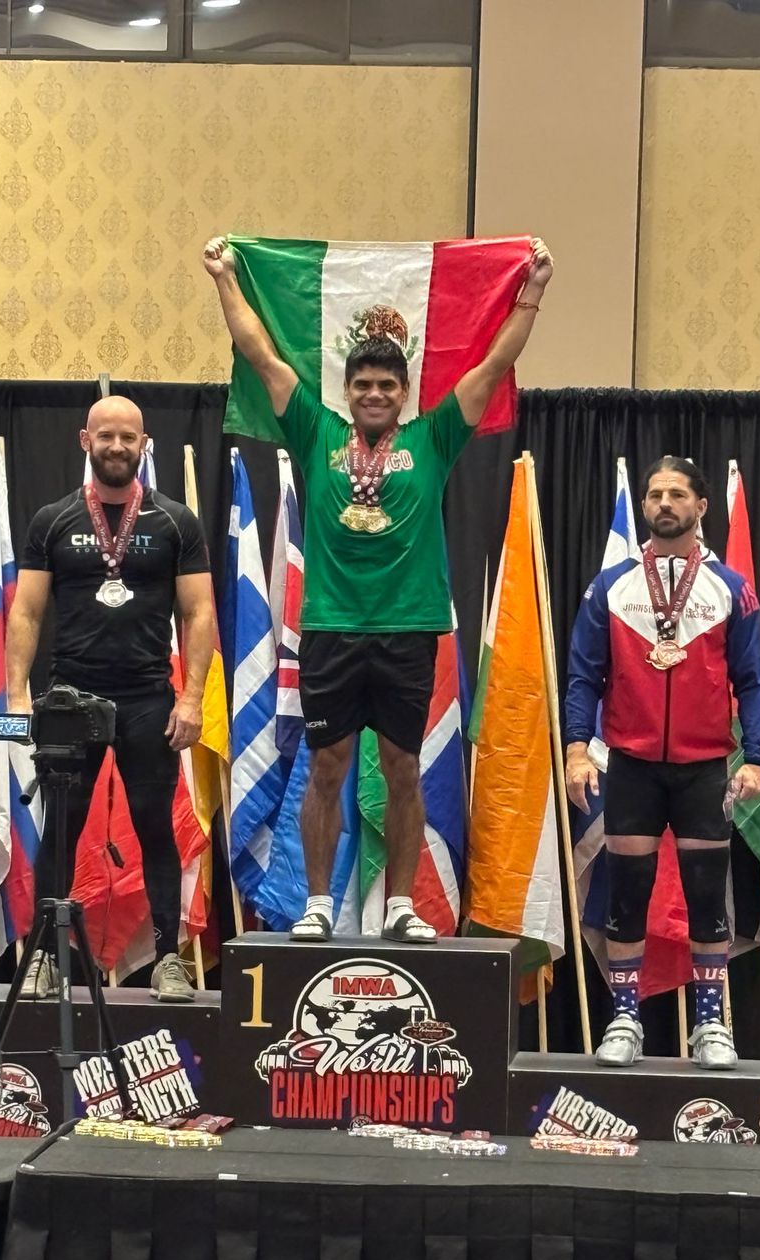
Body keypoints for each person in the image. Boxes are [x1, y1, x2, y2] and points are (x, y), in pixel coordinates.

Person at [203, 232, 553, 942]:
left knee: (402, 767)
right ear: (348, 391)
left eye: (387, 386)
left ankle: (399, 906)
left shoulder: (435, 437)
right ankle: (317, 904)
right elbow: (261, 355)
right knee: (327, 766)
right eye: (363, 385)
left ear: (403, 394)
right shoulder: (314, 430)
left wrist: (534, 292)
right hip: (331, 628)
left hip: (408, 629)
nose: (374, 394)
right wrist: (224, 279)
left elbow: (495, 364)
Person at [564, 456, 760, 1068]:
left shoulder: (731, 588)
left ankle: (709, 1023)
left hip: (704, 767)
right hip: (631, 766)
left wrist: (758, 758)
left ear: (701, 507)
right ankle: (625, 1019)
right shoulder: (611, 587)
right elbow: (583, 676)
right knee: (627, 897)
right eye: (655, 494)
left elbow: (752, 680)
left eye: (677, 494)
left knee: (707, 898)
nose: (663, 503)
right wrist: (576, 749)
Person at [7, 395, 215, 1002]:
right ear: (86, 441)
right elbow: (26, 611)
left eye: (129, 437)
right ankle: (46, 958)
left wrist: (192, 699)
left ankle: (169, 960)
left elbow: (199, 613)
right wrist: (16, 693)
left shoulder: (175, 522)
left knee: (155, 828)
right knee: (61, 830)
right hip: (70, 698)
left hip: (149, 698)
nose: (118, 447)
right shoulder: (53, 520)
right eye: (107, 436)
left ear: (144, 444)